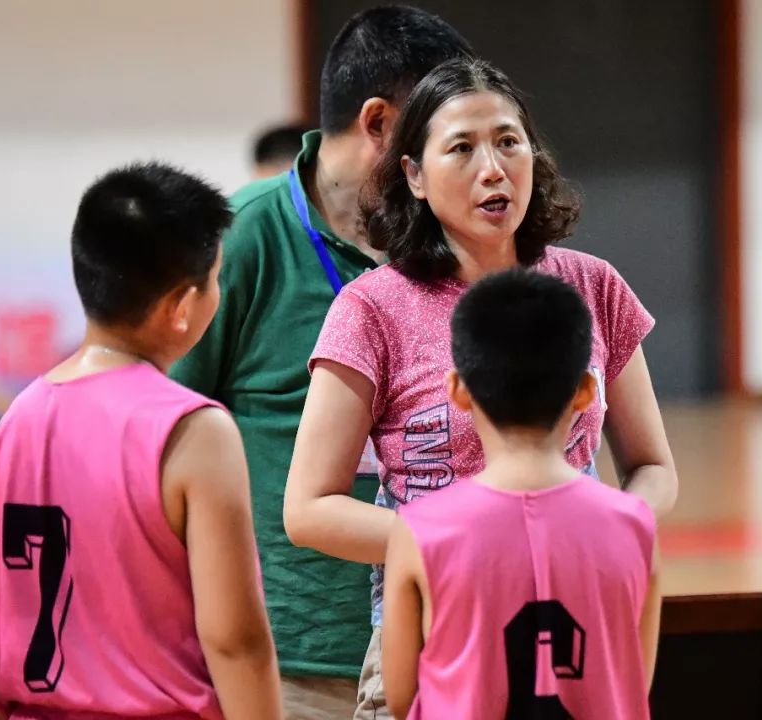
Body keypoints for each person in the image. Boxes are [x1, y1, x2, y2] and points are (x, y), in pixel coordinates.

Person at [285, 57, 677, 716]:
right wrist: (462, 542)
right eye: (462, 148)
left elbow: (654, 467)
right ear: (413, 174)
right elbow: (309, 508)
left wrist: (597, 528)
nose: (492, 168)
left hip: (573, 618)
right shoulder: (371, 308)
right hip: (436, 626)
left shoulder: (593, 285)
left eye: (507, 141)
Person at [169, 8, 472, 717]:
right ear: (378, 123)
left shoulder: (459, 238)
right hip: (288, 664)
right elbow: (159, 439)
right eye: (440, 129)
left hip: (445, 643)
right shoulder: (241, 238)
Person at [0, 162, 281, 720]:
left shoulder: (14, 421)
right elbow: (235, 640)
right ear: (182, 308)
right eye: (215, 278)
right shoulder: (194, 430)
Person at [381, 269, 661, 719]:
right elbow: (633, 679)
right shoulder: (635, 523)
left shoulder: (419, 529)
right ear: (588, 390)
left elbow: (400, 695)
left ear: (458, 390)